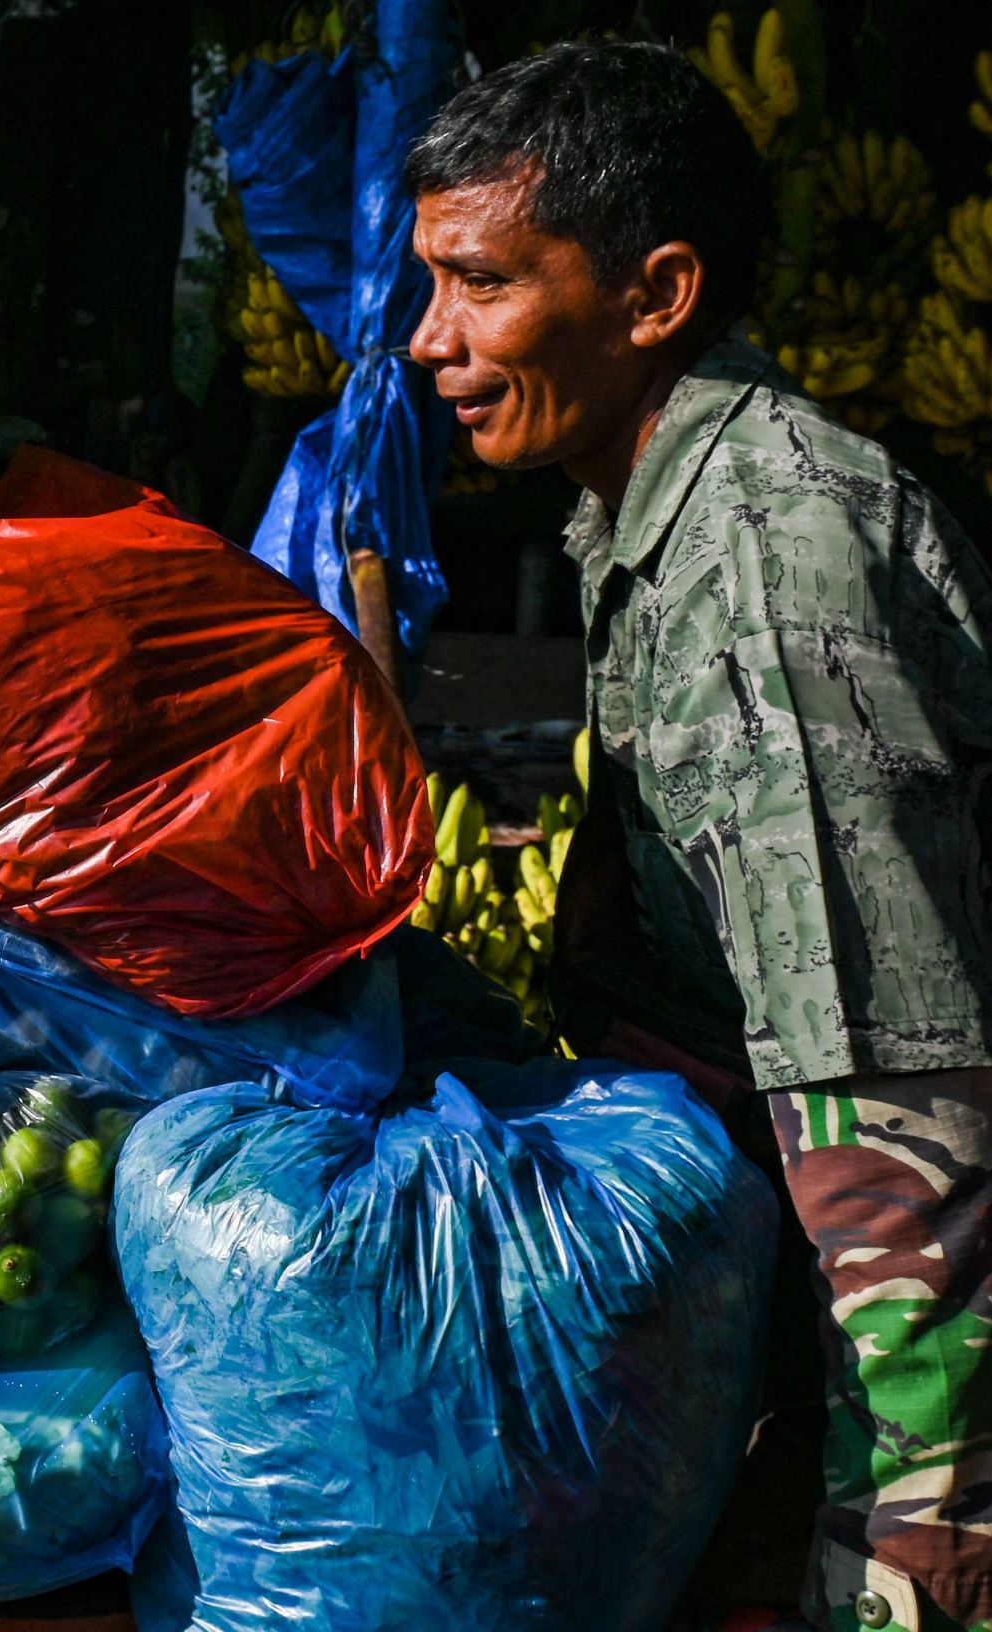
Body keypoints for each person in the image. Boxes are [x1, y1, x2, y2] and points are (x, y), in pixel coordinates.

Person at [405, 40, 992, 1632]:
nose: (430, 341)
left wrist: (908, 1559)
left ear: (654, 295)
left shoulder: (768, 560)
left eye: (480, 285)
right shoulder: (647, 509)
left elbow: (897, 1110)